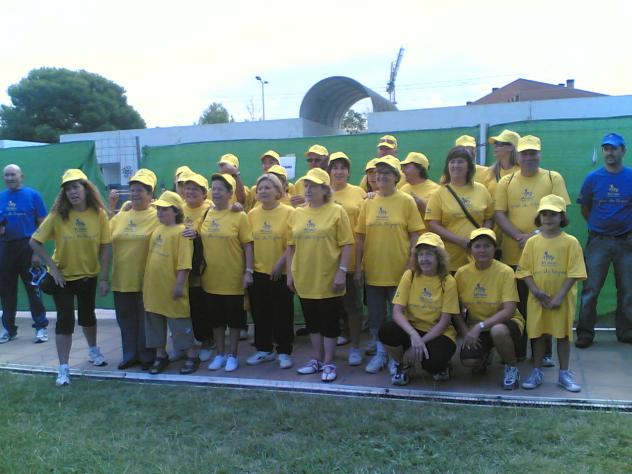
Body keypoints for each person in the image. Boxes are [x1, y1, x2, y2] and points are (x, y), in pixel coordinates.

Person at [30, 169, 111, 386]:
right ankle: (63, 369)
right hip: (62, 279)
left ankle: (93, 351)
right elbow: (34, 242)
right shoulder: (58, 215)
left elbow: (105, 247)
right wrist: (53, 269)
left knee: (88, 316)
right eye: (67, 189)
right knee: (65, 321)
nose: (72, 192)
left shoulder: (99, 214)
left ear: (86, 188)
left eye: (75, 187)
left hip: (88, 276)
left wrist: (104, 278)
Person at [494, 135, 571, 364]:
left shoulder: (553, 178)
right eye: (525, 153)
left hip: (545, 258)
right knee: (518, 307)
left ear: (539, 154)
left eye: (533, 153)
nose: (529, 157)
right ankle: (518, 351)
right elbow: (499, 214)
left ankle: (545, 354)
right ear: (518, 156)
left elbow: (561, 211)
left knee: (543, 302)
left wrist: (534, 235)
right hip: (513, 256)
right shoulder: (506, 182)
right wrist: (519, 236)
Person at [354, 155, 425, 374]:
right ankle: (381, 352)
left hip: (400, 271)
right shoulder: (368, 202)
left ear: (396, 177)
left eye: (386, 173)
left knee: (399, 316)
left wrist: (411, 262)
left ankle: (397, 356)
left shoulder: (406, 201)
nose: (381, 176)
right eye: (378, 173)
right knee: (375, 316)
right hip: (373, 271)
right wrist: (358, 267)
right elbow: (360, 237)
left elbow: (415, 234)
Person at [287, 168, 354, 382]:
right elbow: (291, 246)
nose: (308, 190)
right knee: (313, 322)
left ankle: (329, 362)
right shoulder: (297, 213)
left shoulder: (337, 211)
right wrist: (290, 274)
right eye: (306, 186)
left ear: (325, 190)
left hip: (328, 278)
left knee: (329, 323)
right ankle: (316, 358)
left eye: (313, 186)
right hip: (304, 277)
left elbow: (347, 244)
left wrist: (342, 272)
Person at [516, 195, 587, 392]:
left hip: (562, 300)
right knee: (538, 335)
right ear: (539, 217)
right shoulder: (532, 242)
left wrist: (559, 297)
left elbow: (575, 272)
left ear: (562, 216)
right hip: (537, 299)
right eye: (544, 214)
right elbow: (524, 270)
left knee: (563, 336)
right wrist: (535, 291)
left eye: (553, 214)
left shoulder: (571, 242)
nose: (548, 218)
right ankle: (536, 371)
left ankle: (564, 374)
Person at [378, 233, 458, 385]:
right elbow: (397, 312)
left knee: (434, 364)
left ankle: (442, 367)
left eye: (429, 254)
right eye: (420, 254)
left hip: (437, 332)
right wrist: (414, 335)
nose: (424, 259)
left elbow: (444, 322)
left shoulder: (448, 281)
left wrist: (420, 342)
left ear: (439, 257)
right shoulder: (410, 275)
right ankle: (403, 363)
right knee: (386, 331)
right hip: (413, 328)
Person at [575, 133, 632, 347]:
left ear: (623, 151)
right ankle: (585, 334)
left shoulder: (631, 177)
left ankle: (626, 332)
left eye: (614, 148)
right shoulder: (592, 178)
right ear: (603, 152)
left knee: (628, 290)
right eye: (606, 148)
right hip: (598, 242)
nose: (610, 152)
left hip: (626, 242)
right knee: (590, 290)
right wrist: (599, 227)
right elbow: (585, 208)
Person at [454, 229, 524, 390]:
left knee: (498, 331)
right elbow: (454, 308)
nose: (482, 250)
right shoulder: (461, 273)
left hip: (506, 323)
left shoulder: (505, 271)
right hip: (477, 327)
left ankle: (511, 367)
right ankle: (485, 355)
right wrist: (465, 331)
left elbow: (509, 310)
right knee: (469, 362)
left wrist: (480, 326)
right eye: (477, 246)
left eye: (487, 246)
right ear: (470, 250)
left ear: (494, 249)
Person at [198, 173, 254, 372]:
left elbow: (248, 245)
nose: (215, 192)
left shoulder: (240, 215)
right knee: (216, 321)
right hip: (210, 278)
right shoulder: (207, 213)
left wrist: (248, 271)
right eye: (213, 189)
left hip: (233, 278)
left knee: (235, 321)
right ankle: (220, 354)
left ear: (230, 193)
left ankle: (233, 355)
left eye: (220, 189)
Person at [142, 191, 198, 375]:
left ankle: (191, 356)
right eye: (158, 209)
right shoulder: (157, 230)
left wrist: (179, 285)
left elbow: (185, 263)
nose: (160, 212)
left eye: (164, 209)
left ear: (175, 211)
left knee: (179, 323)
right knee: (154, 323)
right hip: (153, 288)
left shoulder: (182, 232)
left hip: (172, 288)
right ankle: (161, 355)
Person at [109, 169, 160, 370]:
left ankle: (147, 356)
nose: (135, 194)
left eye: (140, 190)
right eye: (132, 190)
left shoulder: (158, 215)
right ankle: (129, 355)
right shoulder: (121, 216)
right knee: (125, 318)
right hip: (121, 278)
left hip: (147, 278)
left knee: (147, 320)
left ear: (150, 193)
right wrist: (112, 207)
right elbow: (106, 234)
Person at [246, 173, 295, 369]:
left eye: (268, 187)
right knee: (260, 313)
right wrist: (249, 269)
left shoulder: (289, 212)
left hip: (281, 273)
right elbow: (249, 243)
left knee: (282, 314)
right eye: (260, 188)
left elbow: (292, 244)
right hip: (258, 272)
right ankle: (264, 349)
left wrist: (280, 264)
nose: (263, 191)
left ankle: (284, 351)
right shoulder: (252, 214)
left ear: (278, 191)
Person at [0, 164, 49, 344]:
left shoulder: (33, 196)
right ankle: (9, 329)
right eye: (6, 175)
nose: (10, 178)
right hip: (5, 248)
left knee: (33, 289)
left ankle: (41, 327)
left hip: (28, 247)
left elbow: (43, 225)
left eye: (13, 174)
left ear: (22, 176)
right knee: (6, 292)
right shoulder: (1, 197)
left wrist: (37, 253)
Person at [425, 146, 494, 272]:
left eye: (461, 162)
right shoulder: (438, 194)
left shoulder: (482, 190)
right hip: (451, 259)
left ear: (469, 166)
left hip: (479, 257)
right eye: (452, 162)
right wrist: (459, 241)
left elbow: (489, 218)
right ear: (448, 166)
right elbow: (433, 224)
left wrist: (480, 240)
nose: (456, 165)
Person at [328, 151, 366, 366]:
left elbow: (362, 229)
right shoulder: (323, 193)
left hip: (350, 261)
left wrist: (359, 264)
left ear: (349, 172)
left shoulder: (359, 192)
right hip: (327, 261)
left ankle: (355, 347)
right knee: (331, 307)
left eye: (343, 167)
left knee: (353, 306)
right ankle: (330, 346)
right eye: (335, 167)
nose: (339, 171)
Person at [181, 172, 214, 364]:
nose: (190, 192)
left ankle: (207, 341)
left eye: (195, 189)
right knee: (186, 306)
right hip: (181, 266)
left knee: (201, 306)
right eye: (187, 188)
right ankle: (188, 342)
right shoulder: (179, 209)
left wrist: (197, 234)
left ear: (204, 193)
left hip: (201, 267)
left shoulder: (209, 209)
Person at [399, 152, 439, 222]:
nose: (403, 170)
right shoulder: (403, 189)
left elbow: (444, 218)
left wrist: (424, 207)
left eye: (407, 167)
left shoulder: (436, 190)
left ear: (419, 168)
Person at [483, 130, 521, 197]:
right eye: (495, 143)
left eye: (499, 143)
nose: (494, 146)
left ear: (511, 147)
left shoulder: (522, 172)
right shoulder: (490, 172)